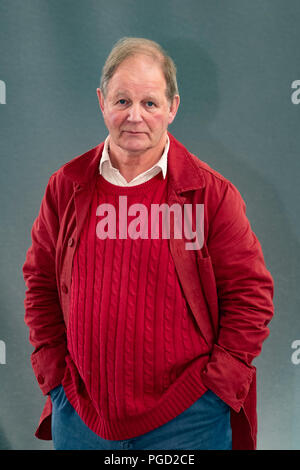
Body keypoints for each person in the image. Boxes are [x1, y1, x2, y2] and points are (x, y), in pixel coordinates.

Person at [22, 37, 274, 451]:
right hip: (82, 417)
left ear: (173, 107)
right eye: (122, 101)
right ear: (102, 101)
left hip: (191, 418)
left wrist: (219, 385)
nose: (134, 117)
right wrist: (55, 378)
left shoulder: (211, 195)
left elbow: (252, 295)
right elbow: (39, 284)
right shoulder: (65, 187)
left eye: (150, 103)